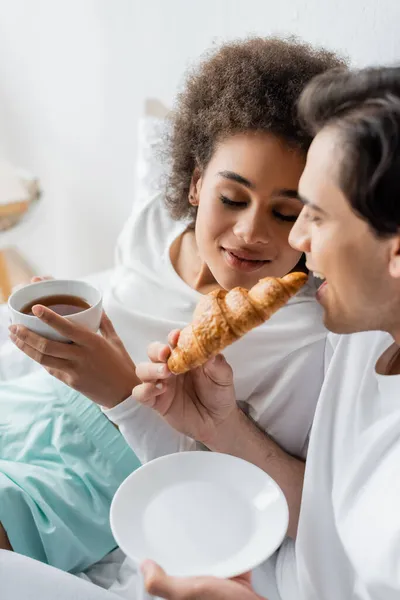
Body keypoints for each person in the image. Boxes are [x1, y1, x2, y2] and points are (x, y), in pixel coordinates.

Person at [1, 37, 343, 584]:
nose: (251, 232)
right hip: (35, 399)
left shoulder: (300, 336)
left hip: (104, 471)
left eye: (285, 212)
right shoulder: (149, 228)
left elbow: (256, 484)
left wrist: (119, 390)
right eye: (232, 199)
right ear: (195, 182)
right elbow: (115, 311)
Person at [127, 64, 400, 599]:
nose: (296, 239)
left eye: (313, 216)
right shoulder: (361, 328)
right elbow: (322, 513)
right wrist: (220, 424)